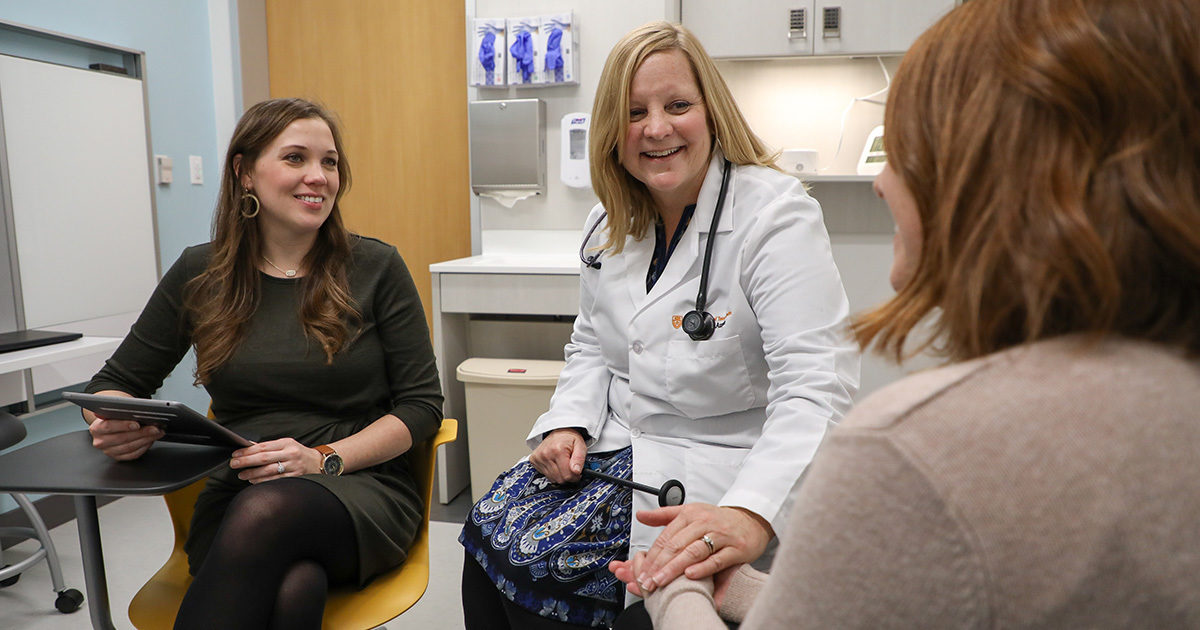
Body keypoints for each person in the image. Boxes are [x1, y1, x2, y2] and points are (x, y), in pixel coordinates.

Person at [611, 0, 1200, 627]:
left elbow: (814, 387)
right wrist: (747, 593)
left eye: (907, 150)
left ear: (995, 183)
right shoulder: (1173, 404)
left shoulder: (904, 456)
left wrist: (674, 587)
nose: (880, 182)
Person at [459, 21, 859, 629]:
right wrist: (569, 421)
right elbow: (592, 343)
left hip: (722, 465)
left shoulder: (776, 216)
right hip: (619, 445)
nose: (657, 128)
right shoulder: (609, 220)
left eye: (678, 105)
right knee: (487, 533)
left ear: (712, 112)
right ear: (611, 134)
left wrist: (750, 515)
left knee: (547, 572)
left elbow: (815, 388)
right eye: (634, 112)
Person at [82, 97, 443, 629]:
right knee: (296, 587)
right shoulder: (200, 272)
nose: (318, 177)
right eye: (295, 158)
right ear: (244, 172)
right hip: (240, 489)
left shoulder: (376, 267)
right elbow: (114, 384)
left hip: (357, 485)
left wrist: (322, 459)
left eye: (330, 161)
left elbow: (421, 407)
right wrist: (111, 421)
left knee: (268, 517)